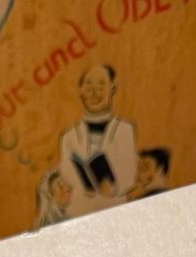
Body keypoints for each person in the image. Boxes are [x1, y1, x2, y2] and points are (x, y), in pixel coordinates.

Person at [41, 64, 138, 223]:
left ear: (112, 87)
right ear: (80, 90)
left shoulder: (125, 130)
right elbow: (66, 172)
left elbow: (130, 173)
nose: (94, 92)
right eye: (88, 85)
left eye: (101, 85)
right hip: (77, 217)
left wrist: (114, 187)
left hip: (116, 214)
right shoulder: (68, 136)